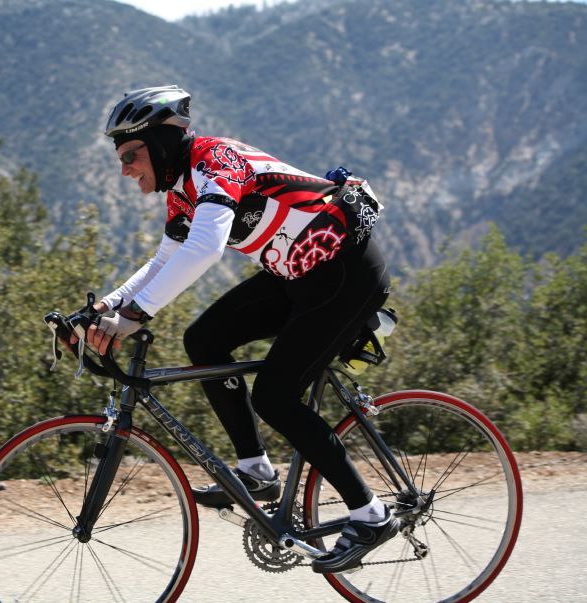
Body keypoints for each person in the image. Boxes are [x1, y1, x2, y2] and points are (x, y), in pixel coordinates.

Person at [80, 85, 397, 574]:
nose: (124, 169)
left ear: (161, 142)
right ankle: (256, 472)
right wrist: (104, 308)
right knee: (203, 340)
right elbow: (163, 261)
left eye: (130, 155)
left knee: (276, 397)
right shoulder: (183, 189)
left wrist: (134, 316)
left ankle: (370, 515)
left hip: (345, 268)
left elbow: (207, 247)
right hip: (296, 274)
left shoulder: (216, 159)